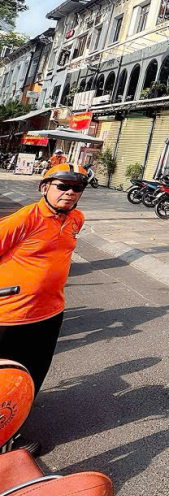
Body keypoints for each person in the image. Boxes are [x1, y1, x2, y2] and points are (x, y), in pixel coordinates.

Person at [0, 162, 88, 455]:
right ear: (44, 187)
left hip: (49, 314)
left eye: (77, 188)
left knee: (31, 379)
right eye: (63, 186)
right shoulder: (24, 219)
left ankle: (11, 433)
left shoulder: (75, 219)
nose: (70, 192)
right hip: (10, 317)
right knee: (4, 380)